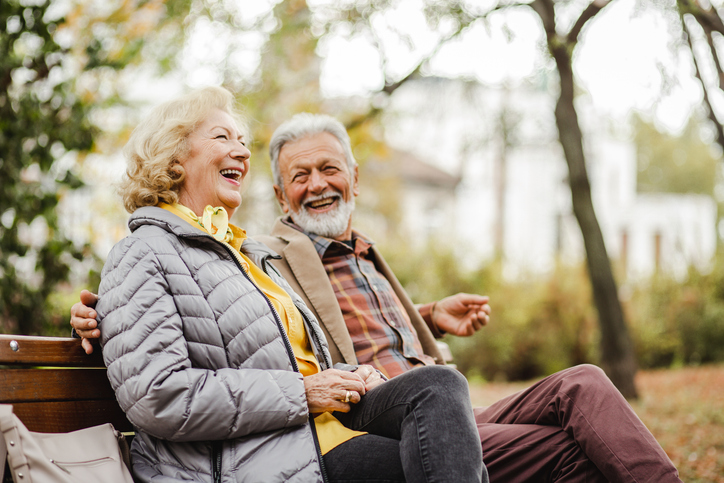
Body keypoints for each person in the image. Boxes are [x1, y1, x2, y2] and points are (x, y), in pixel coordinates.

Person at [74, 110, 682, 482]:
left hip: (411, 409)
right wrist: (93, 313)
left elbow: (268, 325)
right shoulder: (268, 249)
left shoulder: (266, 255)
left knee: (579, 385)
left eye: (330, 170)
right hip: (344, 424)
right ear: (282, 198)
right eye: (298, 177)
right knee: (558, 448)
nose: (316, 186)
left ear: (356, 177)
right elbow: (157, 352)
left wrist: (427, 319)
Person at [93, 86, 485, 483]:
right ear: (174, 158)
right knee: (453, 461)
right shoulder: (142, 253)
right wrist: (304, 392)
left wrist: (351, 374)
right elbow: (159, 395)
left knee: (439, 385)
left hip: (318, 428)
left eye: (242, 141)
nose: (244, 153)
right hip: (256, 455)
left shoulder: (244, 252)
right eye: (222, 137)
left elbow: (285, 360)